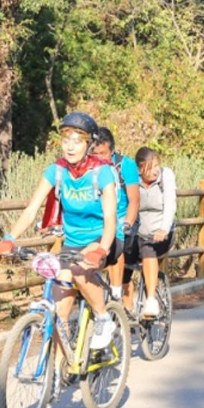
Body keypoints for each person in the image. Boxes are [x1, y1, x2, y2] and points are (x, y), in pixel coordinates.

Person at [0, 112, 121, 349]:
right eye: (66, 140)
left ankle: (104, 318)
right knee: (59, 313)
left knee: (79, 269)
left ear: (89, 144)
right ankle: (58, 375)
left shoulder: (101, 172)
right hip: (73, 242)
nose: (70, 147)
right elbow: (32, 208)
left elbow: (110, 218)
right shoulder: (57, 170)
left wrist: (102, 248)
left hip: (103, 238)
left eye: (77, 141)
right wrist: (10, 238)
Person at [123, 147, 177, 317]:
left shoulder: (165, 176)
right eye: (149, 168)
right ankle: (127, 313)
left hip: (160, 234)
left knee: (148, 247)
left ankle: (151, 300)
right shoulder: (132, 179)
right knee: (123, 262)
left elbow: (170, 203)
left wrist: (164, 228)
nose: (155, 171)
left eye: (156, 166)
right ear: (139, 170)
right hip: (135, 233)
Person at [94, 127, 140, 307]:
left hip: (123, 217)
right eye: (95, 153)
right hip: (100, 218)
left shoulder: (125, 166)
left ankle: (115, 291)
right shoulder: (90, 168)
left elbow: (134, 200)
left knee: (115, 235)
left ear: (112, 151)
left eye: (103, 153)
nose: (99, 158)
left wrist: (127, 222)